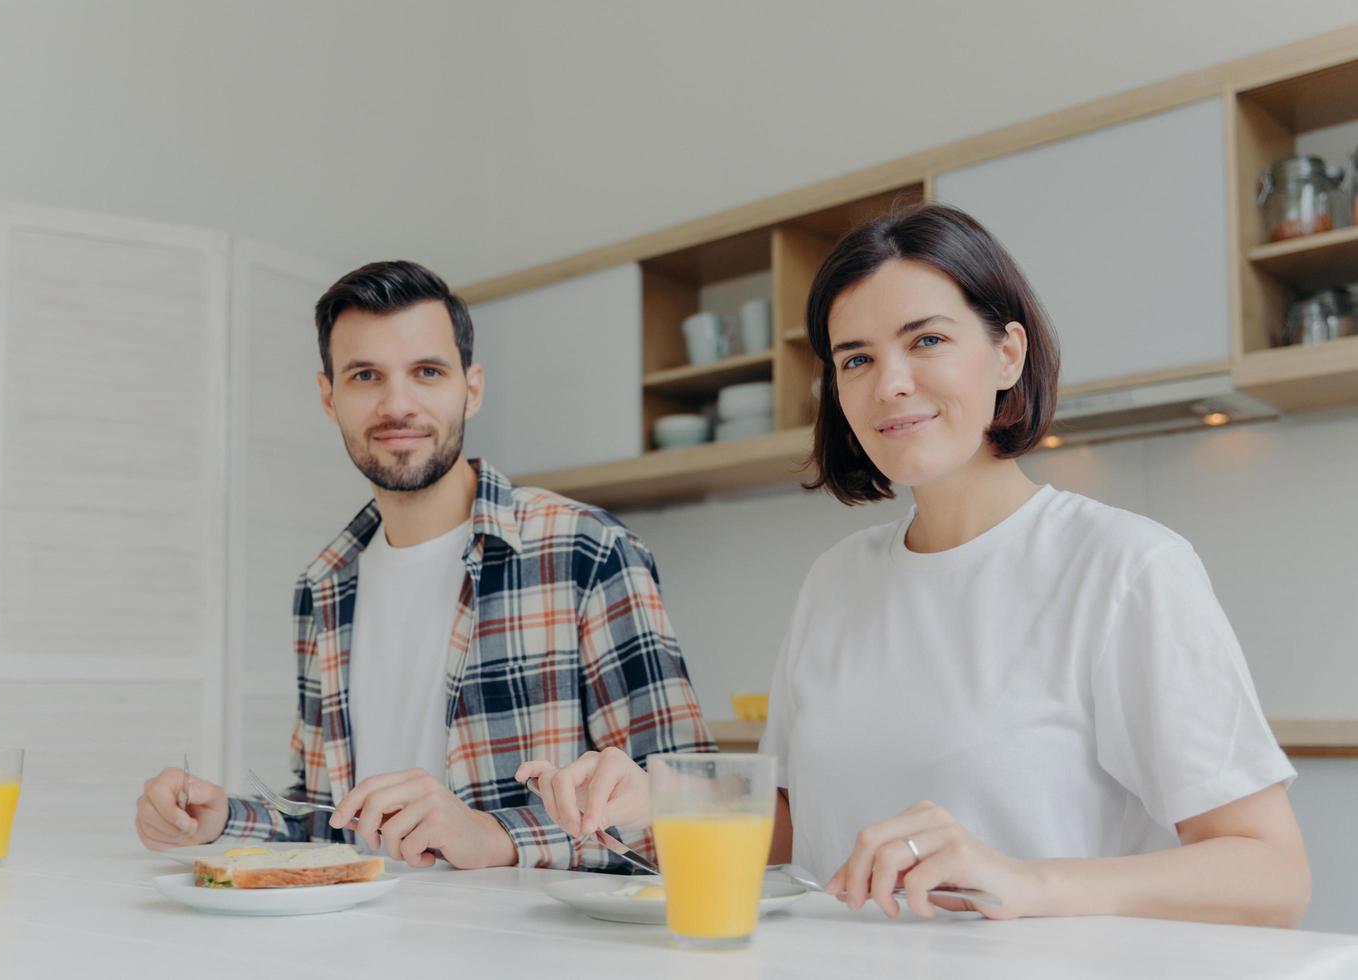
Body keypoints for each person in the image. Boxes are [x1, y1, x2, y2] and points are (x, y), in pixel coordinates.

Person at [518, 204, 1311, 925]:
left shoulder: (1125, 568)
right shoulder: (837, 578)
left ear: (1007, 354)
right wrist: (656, 801)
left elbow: (1272, 876)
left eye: (926, 339)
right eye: (854, 359)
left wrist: (1028, 884)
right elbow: (802, 833)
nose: (890, 384)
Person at [135, 260, 713, 870]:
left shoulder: (586, 551)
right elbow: (330, 819)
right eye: (366, 376)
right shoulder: (323, 587)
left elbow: (696, 811)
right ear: (330, 398)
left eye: (427, 372)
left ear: (472, 387)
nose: (397, 404)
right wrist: (222, 819)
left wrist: (493, 835)